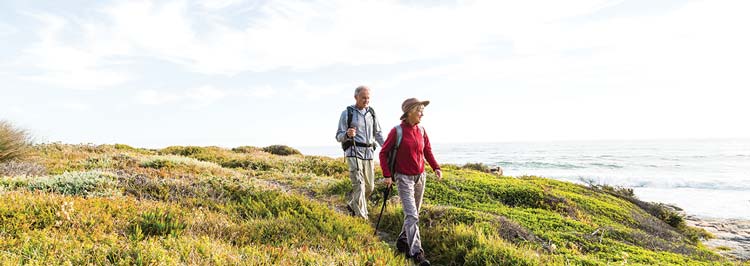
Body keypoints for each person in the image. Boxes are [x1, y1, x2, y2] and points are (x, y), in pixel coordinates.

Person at [378, 98, 441, 266]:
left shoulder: (421, 131)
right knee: (412, 215)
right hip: (403, 178)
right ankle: (416, 253)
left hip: (421, 177)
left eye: (422, 110)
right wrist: (387, 175)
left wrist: (436, 167)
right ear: (410, 112)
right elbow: (383, 153)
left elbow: (427, 150)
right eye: (419, 110)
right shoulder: (397, 131)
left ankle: (402, 241)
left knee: (414, 215)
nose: (422, 113)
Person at [335, 86, 385, 219]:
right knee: (359, 185)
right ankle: (362, 217)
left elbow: (378, 133)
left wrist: (386, 147)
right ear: (356, 97)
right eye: (363, 97)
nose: (366, 100)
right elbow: (338, 136)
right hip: (353, 152)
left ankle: (352, 204)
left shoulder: (372, 113)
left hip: (369, 154)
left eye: (368, 98)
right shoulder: (347, 113)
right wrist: (347, 134)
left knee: (370, 187)